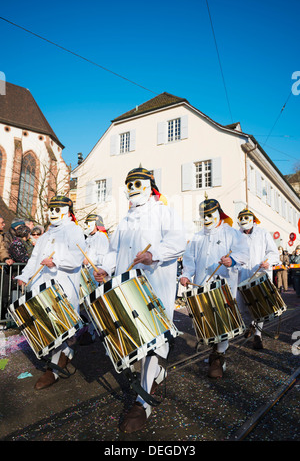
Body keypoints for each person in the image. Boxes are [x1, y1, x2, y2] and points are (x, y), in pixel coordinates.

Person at [93, 167, 186, 433]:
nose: (133, 187)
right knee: (134, 343)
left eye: (138, 183)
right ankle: (154, 375)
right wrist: (105, 269)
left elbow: (178, 242)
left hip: (153, 286)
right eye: (129, 183)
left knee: (151, 341)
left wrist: (154, 253)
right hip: (126, 288)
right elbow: (113, 251)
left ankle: (142, 401)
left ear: (150, 186)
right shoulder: (124, 220)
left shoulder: (163, 211)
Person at [15, 196, 85, 390]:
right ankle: (64, 352)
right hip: (42, 286)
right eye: (50, 209)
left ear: (67, 210)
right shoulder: (45, 235)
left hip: (63, 286)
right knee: (48, 326)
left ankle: (53, 369)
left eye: (57, 209)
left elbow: (77, 257)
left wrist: (57, 261)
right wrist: (25, 275)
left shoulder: (74, 230)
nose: (53, 213)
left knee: (60, 327)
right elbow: (34, 259)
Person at [180, 197, 249, 379]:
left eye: (209, 214)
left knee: (222, 320)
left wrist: (232, 260)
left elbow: (244, 253)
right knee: (206, 320)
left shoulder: (232, 233)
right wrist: (186, 274)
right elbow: (189, 260)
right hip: (201, 285)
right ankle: (214, 350)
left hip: (223, 284)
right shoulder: (197, 237)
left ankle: (218, 356)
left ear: (218, 213)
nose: (206, 218)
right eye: (203, 215)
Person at [236, 208, 280, 349]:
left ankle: (257, 336)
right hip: (242, 274)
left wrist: (268, 261)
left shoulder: (263, 233)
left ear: (253, 221)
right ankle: (251, 324)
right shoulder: (236, 235)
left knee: (259, 304)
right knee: (242, 305)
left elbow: (273, 252)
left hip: (259, 273)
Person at [79, 213, 109, 345]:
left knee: (95, 304)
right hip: (87, 274)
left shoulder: (101, 237)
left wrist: (89, 261)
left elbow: (103, 257)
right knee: (86, 305)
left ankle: (93, 332)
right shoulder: (87, 239)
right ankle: (88, 330)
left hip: (96, 273)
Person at [0, 215, 14, 320]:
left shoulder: (1, 236)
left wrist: (5, 258)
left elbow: (2, 249)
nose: (4, 225)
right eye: (1, 223)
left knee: (4, 296)